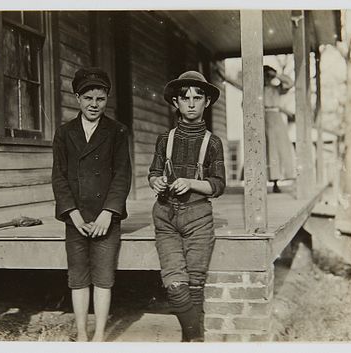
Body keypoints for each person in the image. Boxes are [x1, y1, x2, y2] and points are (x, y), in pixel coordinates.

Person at [51, 67, 132, 342]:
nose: (94, 104)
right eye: (88, 98)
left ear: (106, 98)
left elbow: (122, 175)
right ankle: (82, 335)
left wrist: (108, 213)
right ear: (77, 98)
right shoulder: (64, 133)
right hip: (77, 218)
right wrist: (72, 215)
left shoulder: (118, 131)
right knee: (78, 278)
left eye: (100, 98)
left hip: (105, 219)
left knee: (103, 277)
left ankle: (98, 337)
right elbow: (59, 177)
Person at [148, 71, 226, 342]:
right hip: (166, 217)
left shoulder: (212, 142)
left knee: (194, 284)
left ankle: (190, 341)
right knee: (175, 283)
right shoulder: (164, 139)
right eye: (185, 98)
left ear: (207, 103)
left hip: (198, 218)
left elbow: (217, 185)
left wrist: (191, 183)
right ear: (175, 103)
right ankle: (197, 339)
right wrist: (156, 182)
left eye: (198, 98)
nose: (191, 104)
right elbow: (154, 173)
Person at [263, 65, 296, 193]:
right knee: (268, 149)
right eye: (265, 76)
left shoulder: (276, 89)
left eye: (268, 76)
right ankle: (270, 181)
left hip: (276, 119)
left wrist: (276, 75)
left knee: (281, 148)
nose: (267, 79)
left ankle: (281, 179)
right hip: (263, 119)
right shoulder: (257, 89)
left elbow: (289, 83)